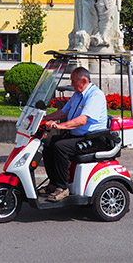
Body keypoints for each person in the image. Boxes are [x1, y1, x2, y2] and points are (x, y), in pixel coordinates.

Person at [40, 67, 108, 201]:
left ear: (83, 80)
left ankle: (62, 187)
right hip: (79, 136)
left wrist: (58, 126)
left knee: (61, 147)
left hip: (94, 139)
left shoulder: (95, 95)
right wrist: (44, 118)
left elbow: (82, 120)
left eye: (73, 81)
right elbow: (63, 112)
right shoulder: (77, 94)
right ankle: (54, 183)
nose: (71, 84)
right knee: (47, 143)